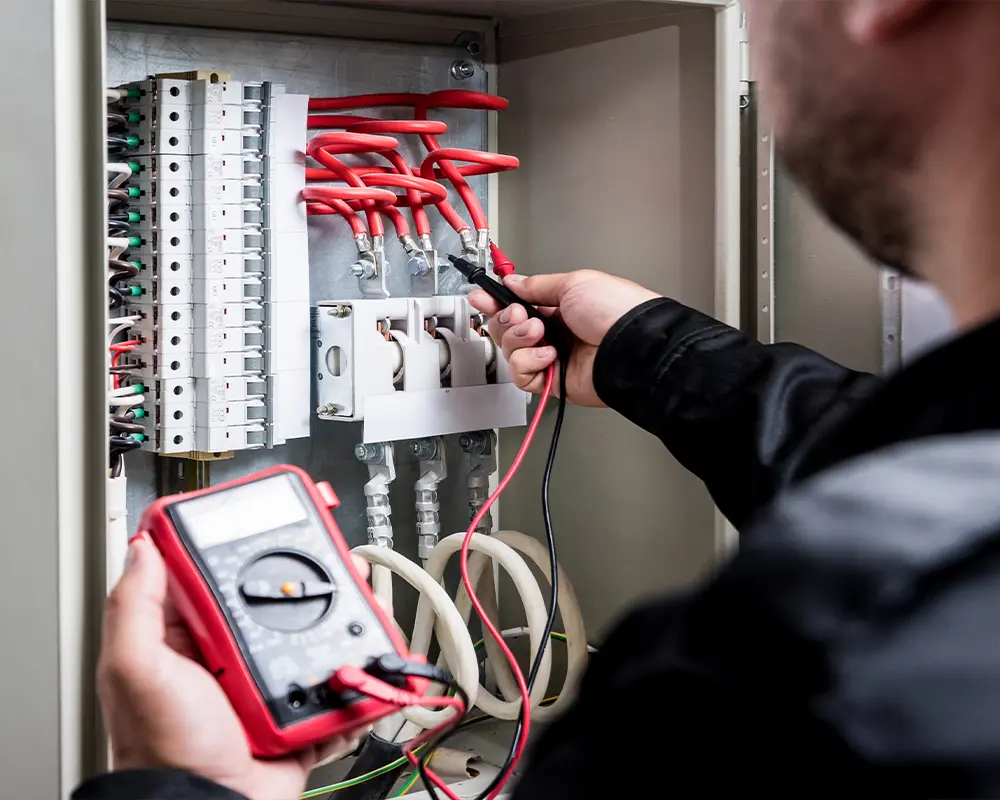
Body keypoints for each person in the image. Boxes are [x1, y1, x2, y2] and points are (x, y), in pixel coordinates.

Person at [74, 0, 1000, 797]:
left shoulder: (810, 680)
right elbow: (896, 468)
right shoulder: (929, 544)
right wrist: (654, 350)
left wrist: (184, 782)